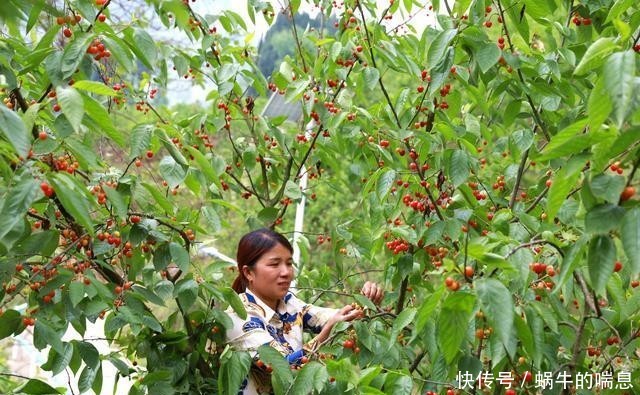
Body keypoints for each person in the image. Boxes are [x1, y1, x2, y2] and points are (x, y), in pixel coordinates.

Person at [225, 228, 384, 394]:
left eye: (289, 263)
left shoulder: (289, 303)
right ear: (249, 272)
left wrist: (365, 302)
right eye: (274, 264)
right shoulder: (239, 317)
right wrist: (327, 333)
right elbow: (284, 369)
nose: (286, 272)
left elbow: (329, 317)